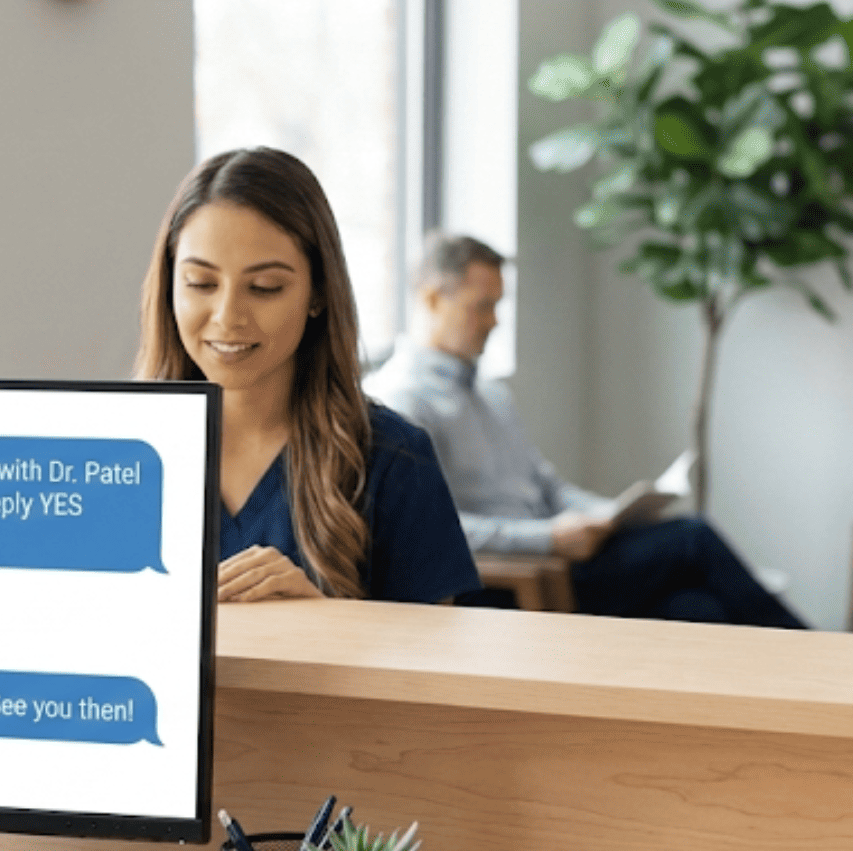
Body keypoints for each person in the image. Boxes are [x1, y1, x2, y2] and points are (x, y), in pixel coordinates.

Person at [365, 233, 806, 628]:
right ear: (430, 301)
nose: (495, 322)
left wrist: (609, 515)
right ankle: (820, 660)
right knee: (693, 538)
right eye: (482, 307)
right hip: (517, 579)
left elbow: (546, 483)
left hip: (563, 555)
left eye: (498, 306)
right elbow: (432, 531)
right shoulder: (403, 403)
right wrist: (547, 538)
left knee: (695, 609)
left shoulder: (491, 394)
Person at [135, 148, 480, 605]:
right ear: (169, 286)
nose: (227, 316)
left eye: (265, 288)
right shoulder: (112, 454)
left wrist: (322, 622)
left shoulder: (393, 461)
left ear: (318, 293)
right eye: (200, 283)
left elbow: (437, 666)